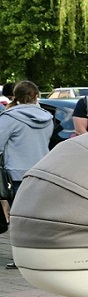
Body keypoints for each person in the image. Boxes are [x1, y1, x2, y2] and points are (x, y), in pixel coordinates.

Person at [0, 81, 54, 226]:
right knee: (37, 218)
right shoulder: (48, 118)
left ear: (15, 96)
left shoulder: (9, 118)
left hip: (15, 175)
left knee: (18, 220)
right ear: (36, 96)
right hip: (41, 172)